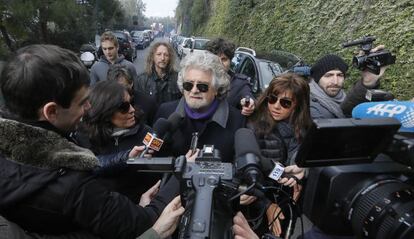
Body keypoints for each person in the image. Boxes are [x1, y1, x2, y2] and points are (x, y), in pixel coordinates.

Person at [0, 44, 178, 238]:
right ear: (51, 111)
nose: (89, 107)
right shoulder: (72, 185)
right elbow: (141, 223)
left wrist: (124, 157)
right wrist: (183, 171)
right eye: (82, 102)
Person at [247, 73, 312, 237]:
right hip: (258, 208)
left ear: (297, 105)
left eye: (285, 103)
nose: (276, 106)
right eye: (272, 99)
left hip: (289, 207)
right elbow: (246, 172)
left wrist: (304, 172)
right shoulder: (254, 126)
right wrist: (266, 205)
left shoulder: (307, 131)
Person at [79, 80, 161, 202]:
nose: (132, 109)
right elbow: (89, 167)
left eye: (131, 103)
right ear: (105, 111)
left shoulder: (146, 133)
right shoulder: (84, 137)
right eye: (124, 107)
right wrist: (127, 158)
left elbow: (159, 172)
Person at [155, 51, 245, 162]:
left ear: (217, 89)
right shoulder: (165, 112)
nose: (194, 90)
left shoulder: (237, 121)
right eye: (188, 85)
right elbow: (153, 161)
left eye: (202, 86)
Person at [309, 49, 385, 119]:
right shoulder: (306, 103)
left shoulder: (343, 97)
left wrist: (368, 82)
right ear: (317, 79)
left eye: (340, 75)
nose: (335, 82)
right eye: (329, 75)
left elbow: (347, 109)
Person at [205, 38, 256, 116]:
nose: (219, 63)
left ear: (230, 61)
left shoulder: (240, 83)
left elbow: (247, 94)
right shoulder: (198, 79)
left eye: (224, 59)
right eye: (215, 59)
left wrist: (248, 102)